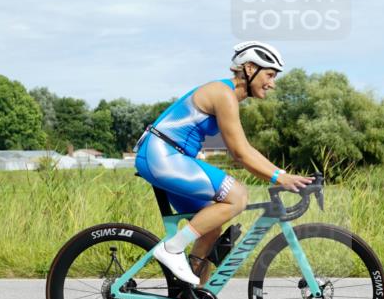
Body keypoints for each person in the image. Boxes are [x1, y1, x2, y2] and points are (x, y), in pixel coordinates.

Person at [134, 41, 313, 285]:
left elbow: (245, 148)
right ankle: (172, 249)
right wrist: (280, 177)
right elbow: (240, 153)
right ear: (250, 69)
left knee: (210, 228)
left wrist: (281, 173)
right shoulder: (223, 94)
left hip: (169, 158)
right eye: (270, 74)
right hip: (162, 155)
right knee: (237, 195)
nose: (273, 83)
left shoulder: (228, 96)